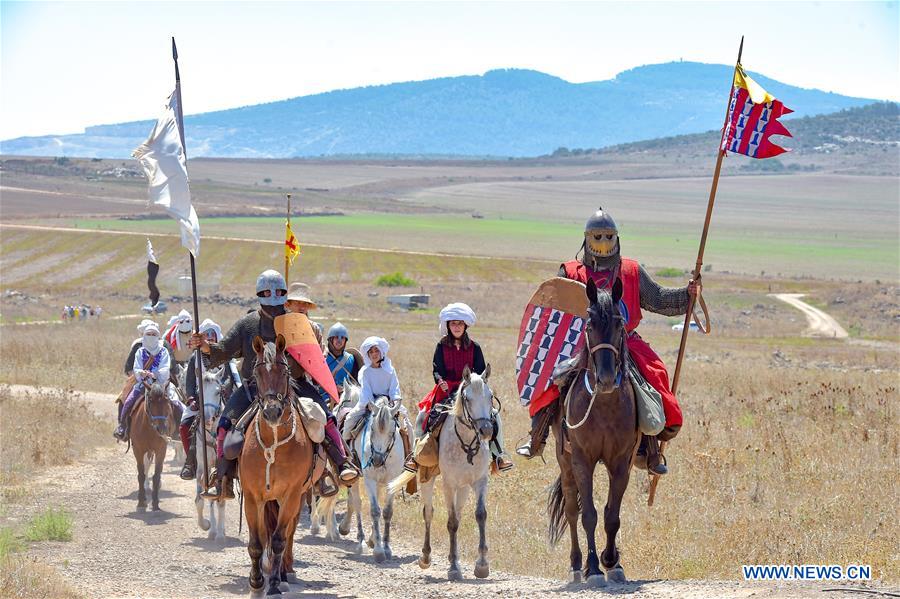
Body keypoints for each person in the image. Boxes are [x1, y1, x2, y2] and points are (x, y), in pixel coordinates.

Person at [516, 208, 701, 476]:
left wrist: (687, 294)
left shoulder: (631, 271)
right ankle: (539, 435)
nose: (603, 242)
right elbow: (554, 310)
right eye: (597, 236)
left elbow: (659, 299)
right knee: (554, 380)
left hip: (623, 342)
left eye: (608, 236)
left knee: (653, 376)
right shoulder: (571, 272)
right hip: (582, 343)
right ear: (586, 238)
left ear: (616, 238)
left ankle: (650, 448)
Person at [190, 270, 288, 499]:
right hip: (253, 389)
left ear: (284, 292)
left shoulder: (294, 322)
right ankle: (222, 479)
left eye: (277, 291)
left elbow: (310, 355)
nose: (272, 296)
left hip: (289, 387)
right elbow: (224, 349)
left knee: (323, 417)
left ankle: (335, 468)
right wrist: (205, 346)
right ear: (260, 294)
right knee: (225, 423)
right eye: (267, 292)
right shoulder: (248, 324)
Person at [406, 303, 513, 474]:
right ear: (448, 326)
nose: (457, 327)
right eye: (453, 323)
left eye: (460, 323)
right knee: (424, 415)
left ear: (465, 326)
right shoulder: (441, 346)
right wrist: (440, 380)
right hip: (446, 390)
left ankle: (498, 456)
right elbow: (436, 369)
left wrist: (476, 384)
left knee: (494, 415)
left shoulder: (475, 347)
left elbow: (480, 371)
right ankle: (416, 456)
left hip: (470, 390)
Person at [282, 285, 359, 484]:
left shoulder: (314, 329)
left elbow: (321, 354)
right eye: (297, 303)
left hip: (301, 382)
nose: (301, 307)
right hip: (277, 383)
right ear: (288, 304)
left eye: (305, 304)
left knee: (327, 417)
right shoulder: (279, 325)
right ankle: (228, 472)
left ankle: (341, 463)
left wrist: (316, 361)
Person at [178, 318, 238, 480]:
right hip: (200, 401)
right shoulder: (195, 358)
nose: (210, 338)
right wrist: (191, 399)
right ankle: (190, 462)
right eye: (207, 335)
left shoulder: (226, 357)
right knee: (184, 426)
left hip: (222, 400)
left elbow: (231, 379)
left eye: (212, 335)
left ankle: (237, 463)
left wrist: (224, 392)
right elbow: (190, 381)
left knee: (240, 426)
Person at [343, 336, 415, 468]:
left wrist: (395, 402)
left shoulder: (390, 370)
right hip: (370, 404)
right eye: (371, 352)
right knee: (349, 421)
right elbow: (366, 392)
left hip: (389, 404)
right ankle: (347, 458)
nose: (374, 354)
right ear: (368, 355)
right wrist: (371, 405)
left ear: (381, 352)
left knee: (407, 425)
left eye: (376, 351)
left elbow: (394, 390)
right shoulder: (365, 372)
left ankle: (410, 457)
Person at [114, 322, 170, 440]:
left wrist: (156, 374)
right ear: (144, 335)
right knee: (128, 401)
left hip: (161, 383)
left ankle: (179, 430)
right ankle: (122, 426)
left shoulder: (164, 351)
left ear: (158, 336)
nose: (151, 336)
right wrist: (142, 373)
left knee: (175, 402)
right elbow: (136, 367)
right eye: (148, 334)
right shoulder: (140, 351)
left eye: (154, 334)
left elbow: (165, 367)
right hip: (143, 383)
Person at [322, 322, 362, 398]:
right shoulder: (322, 358)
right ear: (331, 339)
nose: (339, 341)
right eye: (336, 337)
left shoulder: (351, 359)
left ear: (345, 340)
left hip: (345, 399)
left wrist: (344, 389)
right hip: (324, 397)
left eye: (342, 338)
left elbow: (356, 383)